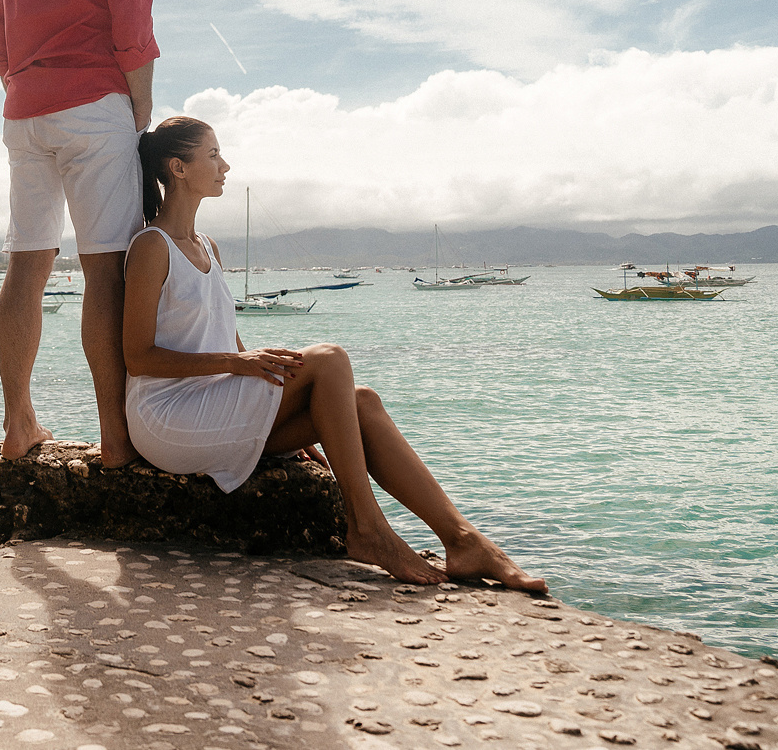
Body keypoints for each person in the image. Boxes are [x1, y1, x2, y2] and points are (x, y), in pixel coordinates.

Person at [121, 116, 546, 588]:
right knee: (329, 357)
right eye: (214, 155)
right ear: (178, 168)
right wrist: (238, 365)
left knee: (360, 402)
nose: (226, 164)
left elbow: (226, 339)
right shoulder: (151, 247)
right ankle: (367, 530)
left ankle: (464, 541)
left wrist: (279, 407)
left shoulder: (207, 246)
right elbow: (139, 358)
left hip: (218, 407)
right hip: (167, 418)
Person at [0, 0, 158, 463]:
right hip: (93, 103)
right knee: (104, 267)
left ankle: (17, 424)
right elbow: (132, 18)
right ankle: (116, 440)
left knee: (26, 264)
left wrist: (24, 86)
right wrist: (138, 104)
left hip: (24, 109)